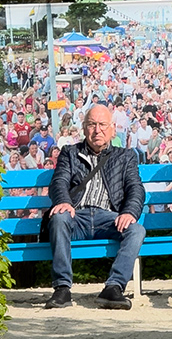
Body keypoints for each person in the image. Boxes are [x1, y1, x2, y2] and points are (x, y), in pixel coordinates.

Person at [44, 102, 146, 311]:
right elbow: (59, 181)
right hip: (76, 216)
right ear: (84, 128)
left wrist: (128, 212)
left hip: (108, 218)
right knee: (59, 217)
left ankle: (114, 287)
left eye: (102, 124)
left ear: (112, 129)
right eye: (91, 124)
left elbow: (136, 188)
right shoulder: (70, 153)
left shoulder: (125, 156)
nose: (97, 130)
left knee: (137, 230)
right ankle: (62, 288)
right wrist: (63, 201)